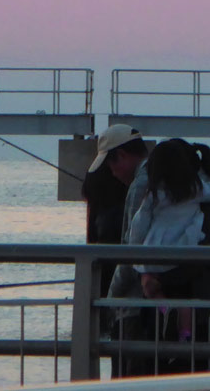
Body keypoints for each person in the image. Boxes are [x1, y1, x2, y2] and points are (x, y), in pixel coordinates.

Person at [128, 138, 210, 341]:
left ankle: (165, 308)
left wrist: (134, 250)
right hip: (181, 252)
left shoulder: (154, 194)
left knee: (149, 283)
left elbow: (139, 224)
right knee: (185, 302)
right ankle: (184, 334)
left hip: (153, 254)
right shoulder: (195, 190)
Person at [82, 126, 149, 295]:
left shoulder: (138, 186)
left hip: (133, 298)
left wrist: (112, 296)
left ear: (121, 155)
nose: (113, 173)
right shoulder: (155, 176)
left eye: (111, 165)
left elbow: (131, 248)